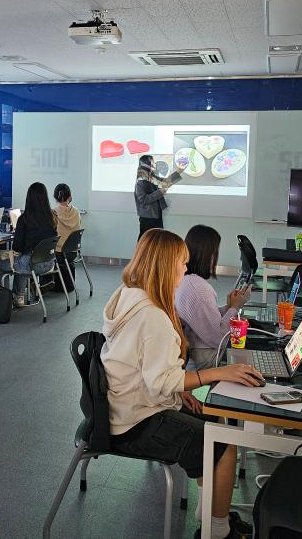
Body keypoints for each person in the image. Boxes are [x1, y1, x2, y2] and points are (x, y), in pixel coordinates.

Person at [102, 228, 263, 539]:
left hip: (123, 407)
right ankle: (218, 532)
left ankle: (211, 515)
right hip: (135, 423)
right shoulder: (153, 317)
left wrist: (178, 394)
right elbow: (163, 380)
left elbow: (150, 372)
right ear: (166, 266)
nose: (186, 269)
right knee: (222, 443)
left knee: (212, 418)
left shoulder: (129, 295)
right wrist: (220, 373)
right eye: (182, 262)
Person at [176, 225, 252, 370]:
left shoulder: (186, 281)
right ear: (207, 255)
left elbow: (204, 317)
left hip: (197, 351)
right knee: (253, 349)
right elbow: (220, 339)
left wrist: (228, 307)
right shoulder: (198, 289)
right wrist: (235, 307)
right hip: (207, 356)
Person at [10, 182, 58, 307]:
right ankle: (24, 293)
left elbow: (17, 247)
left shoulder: (24, 219)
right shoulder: (52, 217)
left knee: (4, 263)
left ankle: (15, 296)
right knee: (25, 259)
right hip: (49, 263)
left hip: (32, 264)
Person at [134, 155, 179, 240]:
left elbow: (165, 182)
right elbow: (143, 199)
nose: (155, 164)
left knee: (157, 239)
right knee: (146, 240)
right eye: (153, 162)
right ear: (147, 164)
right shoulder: (140, 181)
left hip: (156, 213)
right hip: (148, 217)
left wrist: (179, 171)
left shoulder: (151, 176)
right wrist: (160, 192)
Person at [52, 183, 81, 293]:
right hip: (73, 251)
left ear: (55, 196)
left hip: (58, 253)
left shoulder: (54, 212)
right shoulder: (76, 212)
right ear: (70, 196)